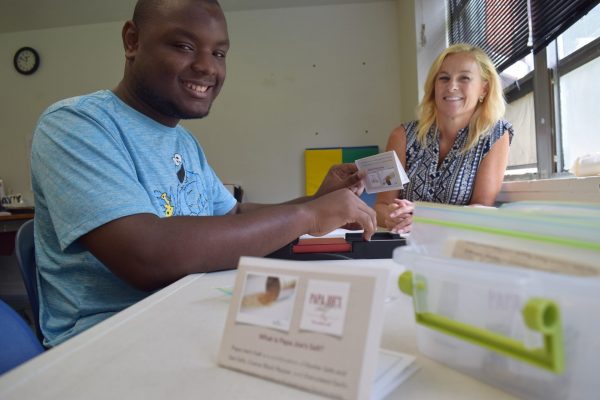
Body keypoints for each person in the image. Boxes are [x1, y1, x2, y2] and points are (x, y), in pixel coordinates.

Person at [30, 0, 376, 347]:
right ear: (132, 40)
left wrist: (319, 200)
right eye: (184, 46)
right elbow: (145, 255)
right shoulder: (76, 126)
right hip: (109, 340)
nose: (207, 67)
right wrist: (308, 215)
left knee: (348, 331)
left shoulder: (184, 141)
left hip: (194, 312)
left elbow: (234, 214)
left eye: (219, 54)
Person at [375, 43, 514, 233]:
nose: (452, 87)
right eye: (444, 78)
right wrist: (391, 218)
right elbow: (380, 207)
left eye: (464, 78)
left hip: (457, 248)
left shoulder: (496, 135)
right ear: (434, 86)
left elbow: (482, 208)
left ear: (484, 88)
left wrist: (426, 217)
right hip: (403, 246)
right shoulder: (400, 136)